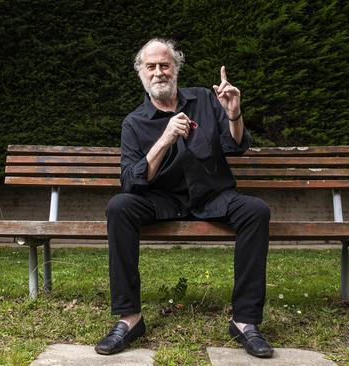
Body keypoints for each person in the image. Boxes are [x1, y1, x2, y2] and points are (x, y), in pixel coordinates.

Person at [94, 38, 273, 358]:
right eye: (151, 66)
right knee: (119, 207)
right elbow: (131, 182)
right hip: (161, 201)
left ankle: (245, 321)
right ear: (141, 73)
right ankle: (129, 318)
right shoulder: (134, 123)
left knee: (255, 210)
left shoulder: (205, 99)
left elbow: (236, 146)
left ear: (175, 69)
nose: (159, 72)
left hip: (212, 196)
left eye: (165, 65)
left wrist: (234, 115)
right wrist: (164, 139)